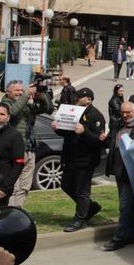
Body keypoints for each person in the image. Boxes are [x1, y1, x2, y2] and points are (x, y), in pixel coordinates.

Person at [53, 88, 106, 232]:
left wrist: (84, 132)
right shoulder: (74, 112)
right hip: (71, 156)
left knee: (82, 190)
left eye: (79, 98)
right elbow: (66, 133)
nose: (75, 100)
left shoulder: (95, 116)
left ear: (88, 99)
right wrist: (57, 128)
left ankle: (80, 219)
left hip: (86, 159)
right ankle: (90, 207)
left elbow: (99, 140)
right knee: (66, 185)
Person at [102, 101, 134, 252]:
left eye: (128, 112)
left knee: (124, 205)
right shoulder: (117, 124)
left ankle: (119, 238)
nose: (125, 115)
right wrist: (104, 138)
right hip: (119, 170)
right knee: (128, 206)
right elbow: (111, 141)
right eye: (123, 112)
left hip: (132, 172)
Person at [2, 79, 52, 208]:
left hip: (29, 148)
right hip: (15, 149)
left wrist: (41, 96)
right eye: (17, 90)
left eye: (21, 90)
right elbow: (12, 112)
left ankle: (19, 210)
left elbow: (47, 109)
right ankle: (9, 211)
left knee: (25, 185)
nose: (20, 92)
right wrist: (25, 95)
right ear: (7, 92)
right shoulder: (5, 104)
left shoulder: (25, 103)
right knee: (14, 184)